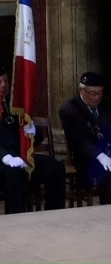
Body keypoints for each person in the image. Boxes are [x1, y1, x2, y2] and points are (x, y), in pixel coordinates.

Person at [0, 68, 66, 213]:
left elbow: (36, 139)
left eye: (6, 81)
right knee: (14, 174)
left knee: (55, 167)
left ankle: (55, 213)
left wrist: (33, 131)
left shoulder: (16, 105)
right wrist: (6, 157)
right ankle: (16, 217)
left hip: (22, 155)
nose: (3, 85)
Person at [59, 71, 111, 204]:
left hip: (108, 151)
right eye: (92, 93)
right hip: (86, 158)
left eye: (100, 93)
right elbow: (78, 141)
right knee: (107, 173)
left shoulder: (106, 105)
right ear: (81, 90)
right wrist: (100, 155)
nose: (96, 98)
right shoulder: (69, 109)